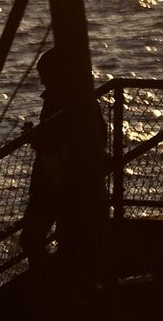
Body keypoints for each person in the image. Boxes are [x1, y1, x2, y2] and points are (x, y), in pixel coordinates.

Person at [20, 46, 107, 271]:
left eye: (44, 76)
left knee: (34, 237)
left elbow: (53, 140)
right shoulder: (82, 102)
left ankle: (47, 279)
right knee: (58, 237)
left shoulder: (62, 103)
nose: (41, 82)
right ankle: (55, 278)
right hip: (64, 182)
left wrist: (34, 137)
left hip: (57, 182)